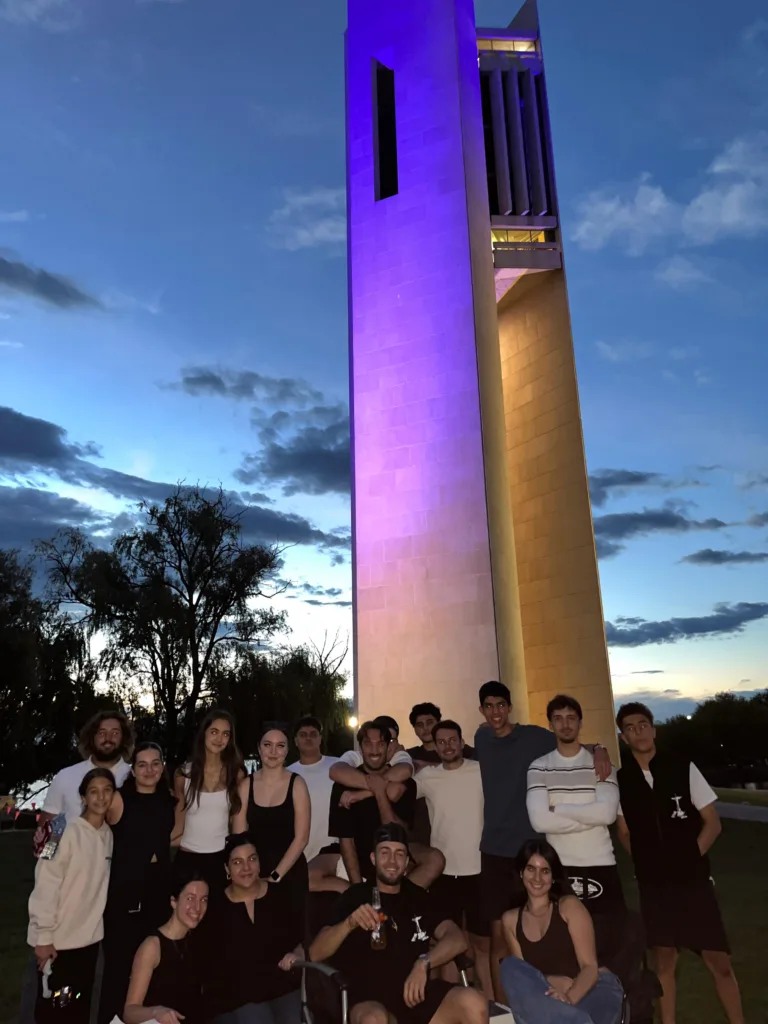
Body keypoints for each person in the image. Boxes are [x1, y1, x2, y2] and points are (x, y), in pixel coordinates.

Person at [473, 681, 611, 1001]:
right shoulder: (481, 737)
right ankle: (503, 1011)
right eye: (489, 706)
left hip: (529, 853)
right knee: (498, 940)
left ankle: (548, 1001)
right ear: (482, 710)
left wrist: (601, 748)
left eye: (501, 705)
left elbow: (572, 743)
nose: (495, 712)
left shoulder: (534, 737)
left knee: (535, 936)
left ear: (510, 707)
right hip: (493, 850)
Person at [615, 702, 743, 1024]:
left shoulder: (682, 767)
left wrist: (689, 857)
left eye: (643, 724)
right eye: (630, 728)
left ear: (653, 729)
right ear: (624, 736)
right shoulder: (621, 780)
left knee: (720, 962)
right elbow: (624, 831)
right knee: (663, 964)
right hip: (655, 887)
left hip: (693, 882)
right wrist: (646, 862)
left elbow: (712, 823)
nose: (638, 731)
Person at [309, 823, 488, 1024]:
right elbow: (316, 952)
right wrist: (348, 924)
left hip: (414, 992)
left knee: (474, 1003)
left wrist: (424, 963)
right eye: (385, 853)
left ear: (407, 862)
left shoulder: (418, 897)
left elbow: (457, 939)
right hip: (368, 998)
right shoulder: (354, 896)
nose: (392, 861)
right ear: (373, 859)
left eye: (400, 854)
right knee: (373, 1020)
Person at [500, 840, 624, 1024]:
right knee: (510, 966)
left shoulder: (568, 907)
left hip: (594, 986)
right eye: (531, 869)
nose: (537, 878)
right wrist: (555, 983)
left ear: (553, 877)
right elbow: (526, 978)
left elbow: (590, 967)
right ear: (521, 872)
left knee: (574, 1016)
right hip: (549, 993)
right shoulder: (510, 920)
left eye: (545, 871)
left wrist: (569, 998)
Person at [28, 768, 116, 1024]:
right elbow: (45, 882)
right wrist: (43, 936)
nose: (100, 797)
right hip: (57, 943)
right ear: (83, 797)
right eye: (93, 791)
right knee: (54, 1011)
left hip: (87, 944)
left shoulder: (108, 835)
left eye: (107, 790)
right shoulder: (59, 828)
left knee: (78, 1010)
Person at [98, 742, 177, 1024]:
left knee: (151, 970)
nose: (149, 770)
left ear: (162, 766)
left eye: (155, 763)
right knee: (119, 971)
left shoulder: (168, 800)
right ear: (133, 769)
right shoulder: (119, 799)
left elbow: (171, 838)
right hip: (124, 896)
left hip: (158, 895)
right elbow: (92, 828)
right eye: (142, 764)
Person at [415, 720, 492, 999]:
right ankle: (452, 1002)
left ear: (461, 742)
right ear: (435, 746)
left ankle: (492, 1005)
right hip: (444, 874)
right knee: (447, 943)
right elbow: (394, 791)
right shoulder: (427, 777)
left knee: (482, 945)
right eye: (441, 742)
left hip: (479, 870)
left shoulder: (481, 770)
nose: (447, 746)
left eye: (452, 740)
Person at [526, 695, 623, 916]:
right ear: (550, 725)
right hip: (558, 866)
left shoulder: (602, 764)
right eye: (558, 718)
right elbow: (539, 821)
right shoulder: (539, 767)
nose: (565, 724)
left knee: (606, 942)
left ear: (580, 722)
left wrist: (558, 809)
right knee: (563, 943)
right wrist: (590, 817)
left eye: (571, 718)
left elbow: (607, 815)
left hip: (601, 863)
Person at [198, 833, 303, 1023]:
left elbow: (300, 939)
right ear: (227, 869)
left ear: (260, 864)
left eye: (252, 859)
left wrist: (298, 954)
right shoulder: (214, 907)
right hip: (236, 994)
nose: (246, 868)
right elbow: (208, 962)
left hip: (281, 986)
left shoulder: (280, 896)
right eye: (237, 862)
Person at [331, 717, 445, 888]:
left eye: (381, 744)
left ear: (389, 748)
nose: (375, 750)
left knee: (435, 859)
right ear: (360, 749)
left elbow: (399, 833)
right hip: (362, 860)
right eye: (369, 744)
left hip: (395, 857)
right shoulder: (343, 785)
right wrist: (357, 889)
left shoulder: (405, 782)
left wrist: (378, 792)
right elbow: (346, 841)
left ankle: (400, 899)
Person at [232, 725, 310, 931]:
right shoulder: (245, 786)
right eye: (268, 745)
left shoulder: (298, 784)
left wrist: (276, 876)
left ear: (287, 750)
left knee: (291, 940)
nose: (273, 752)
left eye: (280, 746)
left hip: (290, 872)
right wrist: (248, 873)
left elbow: (301, 838)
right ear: (259, 749)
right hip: (254, 872)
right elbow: (239, 838)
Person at [123, 874, 210, 1024]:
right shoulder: (153, 946)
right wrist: (156, 1012)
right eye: (190, 898)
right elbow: (129, 1012)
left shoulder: (197, 940)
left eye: (203, 900)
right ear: (173, 901)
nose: (197, 907)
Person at [174, 710, 245, 890]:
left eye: (225, 734)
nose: (219, 738)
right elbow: (177, 823)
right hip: (187, 859)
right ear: (204, 733)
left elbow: (237, 822)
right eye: (214, 732)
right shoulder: (183, 775)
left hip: (220, 860)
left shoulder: (236, 775)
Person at [36, 711, 133, 842]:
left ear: (124, 738)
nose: (108, 738)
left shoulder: (134, 777)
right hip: (72, 860)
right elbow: (46, 828)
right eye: (101, 733)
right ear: (91, 737)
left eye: (115, 733)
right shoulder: (66, 776)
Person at [287, 716, 347, 893]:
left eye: (313, 734)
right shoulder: (287, 774)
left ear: (320, 739)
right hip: (301, 854)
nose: (308, 738)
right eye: (303, 734)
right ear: (296, 741)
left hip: (335, 852)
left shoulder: (338, 766)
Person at [406, 704, 475, 767]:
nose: (425, 728)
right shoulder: (410, 755)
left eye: (429, 723)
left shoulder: (460, 748)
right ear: (414, 729)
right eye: (419, 725)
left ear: (438, 723)